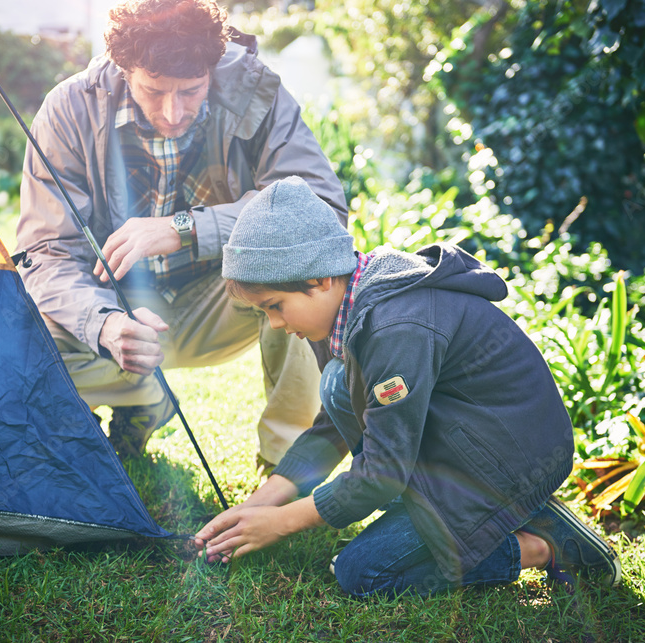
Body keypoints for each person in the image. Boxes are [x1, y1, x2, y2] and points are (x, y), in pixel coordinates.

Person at [193, 176, 621, 596]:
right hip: (464, 446)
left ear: (320, 279)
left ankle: (545, 546)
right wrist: (259, 506)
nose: (277, 325)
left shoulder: (395, 327)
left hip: (509, 463)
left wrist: (283, 522)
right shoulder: (348, 309)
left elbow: (381, 475)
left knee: (361, 573)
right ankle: (468, 510)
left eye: (275, 306)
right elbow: (331, 428)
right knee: (336, 385)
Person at [15, 0, 347, 466]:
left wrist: (184, 229)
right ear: (123, 68)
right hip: (118, 310)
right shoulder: (68, 109)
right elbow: (46, 253)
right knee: (15, 341)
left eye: (191, 91)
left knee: (298, 269)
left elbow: (321, 210)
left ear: (212, 67)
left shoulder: (256, 88)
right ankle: (143, 400)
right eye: (154, 91)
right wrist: (104, 326)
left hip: (225, 301)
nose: (172, 112)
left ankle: (287, 469)